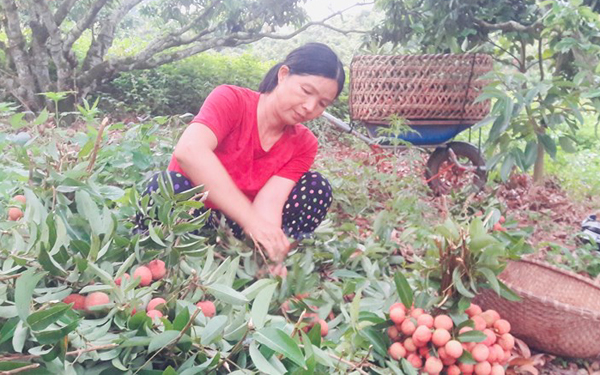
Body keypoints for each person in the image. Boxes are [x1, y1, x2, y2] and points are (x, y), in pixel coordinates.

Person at [141, 43, 345, 267]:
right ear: (284, 75)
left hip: (239, 227)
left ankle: (255, 258)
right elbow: (189, 151)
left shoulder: (304, 143)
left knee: (316, 188)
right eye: (306, 91)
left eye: (322, 104)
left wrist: (269, 250)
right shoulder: (231, 100)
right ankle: (159, 256)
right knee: (167, 186)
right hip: (190, 214)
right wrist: (252, 221)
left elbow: (271, 201)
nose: (309, 107)